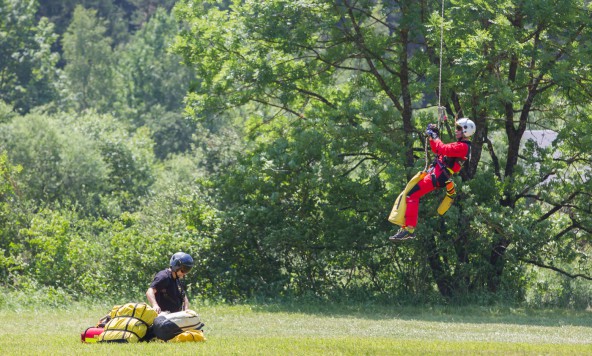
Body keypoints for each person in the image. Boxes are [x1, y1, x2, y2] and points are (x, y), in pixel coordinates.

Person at [389, 118, 475, 241]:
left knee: (412, 195)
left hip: (438, 176)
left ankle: (409, 229)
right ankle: (408, 228)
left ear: (465, 131)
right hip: (436, 174)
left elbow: (442, 149)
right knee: (410, 194)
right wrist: (432, 137)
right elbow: (437, 150)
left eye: (459, 129)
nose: (456, 131)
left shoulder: (463, 147)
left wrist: (435, 136)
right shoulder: (459, 145)